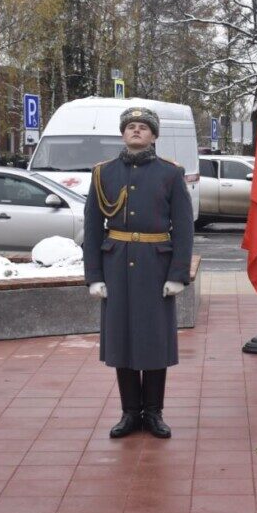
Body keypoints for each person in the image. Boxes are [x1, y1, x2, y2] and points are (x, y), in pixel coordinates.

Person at [83, 107, 194, 439]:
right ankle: (130, 413)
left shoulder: (171, 174)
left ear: (154, 136)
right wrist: (95, 275)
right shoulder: (103, 173)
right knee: (123, 340)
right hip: (116, 266)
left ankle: (154, 413)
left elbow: (184, 228)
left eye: (143, 128)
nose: (136, 131)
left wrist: (178, 273)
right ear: (122, 134)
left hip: (156, 267)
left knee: (154, 340)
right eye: (130, 127)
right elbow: (92, 228)